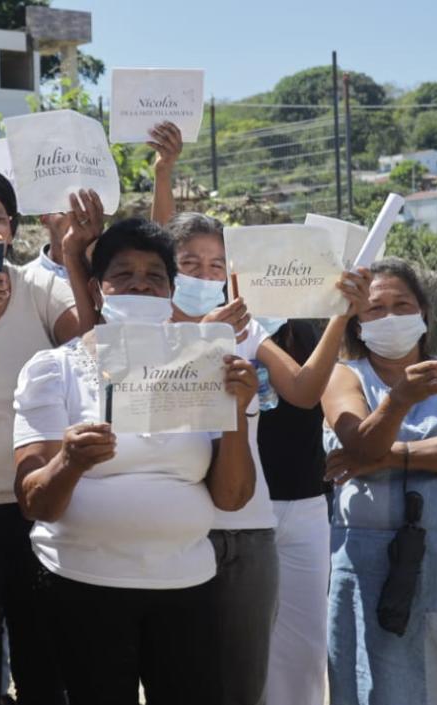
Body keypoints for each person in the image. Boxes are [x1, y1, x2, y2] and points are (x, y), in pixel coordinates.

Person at [13, 218, 259, 705]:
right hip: (84, 586)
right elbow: (34, 503)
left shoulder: (204, 369)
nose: (140, 286)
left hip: (186, 586)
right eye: (123, 275)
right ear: (95, 289)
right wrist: (70, 462)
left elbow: (232, 498)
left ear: (171, 292)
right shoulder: (54, 370)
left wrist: (236, 413)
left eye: (155, 277)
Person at [163, 209, 370, 705]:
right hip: (190, 515)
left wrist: (341, 315)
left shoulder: (248, 328)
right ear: (167, 269)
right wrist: (201, 340)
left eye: (217, 265)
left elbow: (302, 389)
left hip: (257, 516)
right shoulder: (146, 329)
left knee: (286, 659)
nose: (204, 276)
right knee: (199, 663)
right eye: (190, 264)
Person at [0, 168, 99, 704]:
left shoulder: (37, 287)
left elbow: (94, 347)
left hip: (36, 504)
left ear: (12, 227)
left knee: (41, 657)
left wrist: (73, 256)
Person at [321, 258, 437, 705]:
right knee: (374, 685)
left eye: (402, 305)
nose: (390, 317)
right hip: (368, 568)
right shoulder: (343, 375)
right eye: (375, 308)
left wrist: (393, 457)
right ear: (357, 322)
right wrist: (398, 400)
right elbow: (363, 444)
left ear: (423, 312)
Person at [257, 319, 332, 705]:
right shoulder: (213, 317)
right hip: (235, 508)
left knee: (303, 654)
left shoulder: (311, 329)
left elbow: (309, 393)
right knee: (233, 650)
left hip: (306, 505)